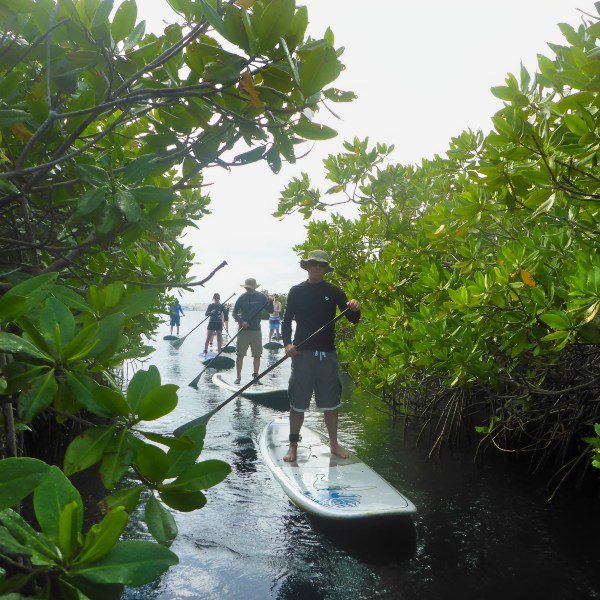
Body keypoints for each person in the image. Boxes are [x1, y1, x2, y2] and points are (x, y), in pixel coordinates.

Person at [281, 250, 360, 462]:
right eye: (314, 264)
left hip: (327, 355)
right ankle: (293, 446)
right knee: (297, 404)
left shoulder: (334, 291)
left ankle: (334, 445)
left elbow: (353, 319)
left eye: (321, 265)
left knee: (331, 404)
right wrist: (287, 343)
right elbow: (287, 320)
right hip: (302, 355)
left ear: (325, 269)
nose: (317, 268)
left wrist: (354, 307)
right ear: (307, 266)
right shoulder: (296, 291)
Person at [232, 278, 273, 384]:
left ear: (254, 287)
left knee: (257, 355)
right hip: (243, 330)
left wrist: (271, 302)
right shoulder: (241, 298)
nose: (248, 290)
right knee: (240, 354)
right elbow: (234, 313)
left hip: (256, 330)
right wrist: (241, 322)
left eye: (249, 288)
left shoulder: (261, 297)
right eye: (246, 288)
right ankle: (238, 377)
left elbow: (271, 311)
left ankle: (255, 377)